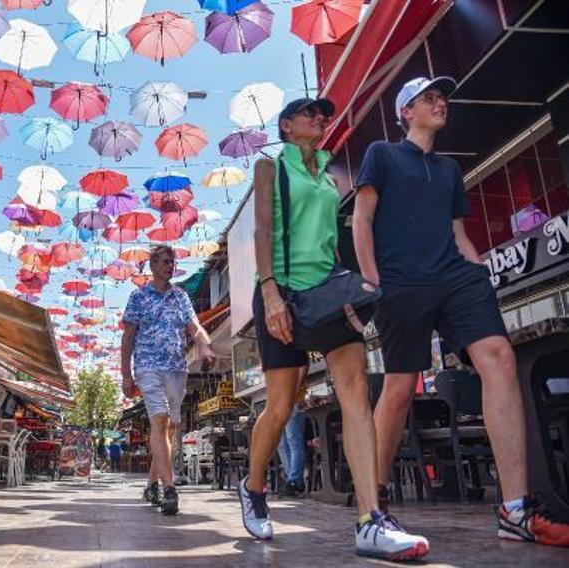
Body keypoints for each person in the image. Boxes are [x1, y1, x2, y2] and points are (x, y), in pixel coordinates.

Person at [353, 76, 569, 547]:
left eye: (442, 96)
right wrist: (374, 282)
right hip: (401, 281)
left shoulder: (450, 170)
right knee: (399, 388)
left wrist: (481, 276)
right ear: (406, 111)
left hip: (457, 276)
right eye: (429, 98)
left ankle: (515, 510)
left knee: (499, 356)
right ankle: (376, 501)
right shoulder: (381, 155)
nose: (440, 102)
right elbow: (362, 219)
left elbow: (459, 233)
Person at [239, 96, 429, 561]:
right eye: (309, 114)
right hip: (282, 292)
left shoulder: (327, 175)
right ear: (286, 126)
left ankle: (370, 519)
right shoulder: (270, 167)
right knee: (281, 405)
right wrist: (269, 293)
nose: (320, 120)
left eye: (323, 115)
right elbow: (263, 232)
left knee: (355, 391)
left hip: (328, 293)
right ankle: (253, 485)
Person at [121, 244, 215, 516]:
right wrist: (126, 375)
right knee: (159, 420)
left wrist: (205, 345)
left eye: (171, 262)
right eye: (164, 262)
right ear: (152, 266)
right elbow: (127, 338)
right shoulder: (138, 298)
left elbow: (194, 327)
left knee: (169, 428)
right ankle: (170, 489)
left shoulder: (181, 297)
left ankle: (152, 483)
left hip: (176, 368)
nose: (169, 267)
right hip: (148, 367)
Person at [277, 367, 307, 497]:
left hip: (293, 399)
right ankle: (292, 480)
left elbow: (303, 367)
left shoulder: (296, 349)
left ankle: (294, 480)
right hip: (279, 401)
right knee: (281, 444)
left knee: (293, 440)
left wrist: (294, 391)